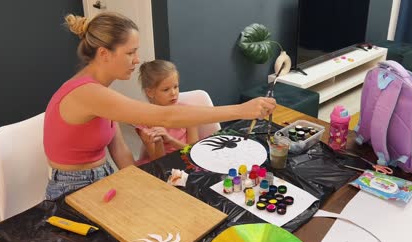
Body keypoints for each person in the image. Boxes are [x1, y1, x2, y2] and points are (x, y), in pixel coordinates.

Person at [43, 12, 276, 200]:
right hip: (73, 187)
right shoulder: (87, 93)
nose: (137, 60)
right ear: (104, 54)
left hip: (103, 176)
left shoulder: (102, 92)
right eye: (131, 52)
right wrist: (242, 110)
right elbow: (167, 117)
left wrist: (144, 186)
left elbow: (120, 150)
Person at [136, 60, 199, 162]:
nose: (173, 93)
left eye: (176, 86)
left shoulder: (188, 112)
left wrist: (170, 140)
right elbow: (158, 161)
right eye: (166, 89)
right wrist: (159, 141)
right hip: (163, 166)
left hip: (188, 161)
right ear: (150, 92)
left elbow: (194, 151)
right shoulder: (145, 123)